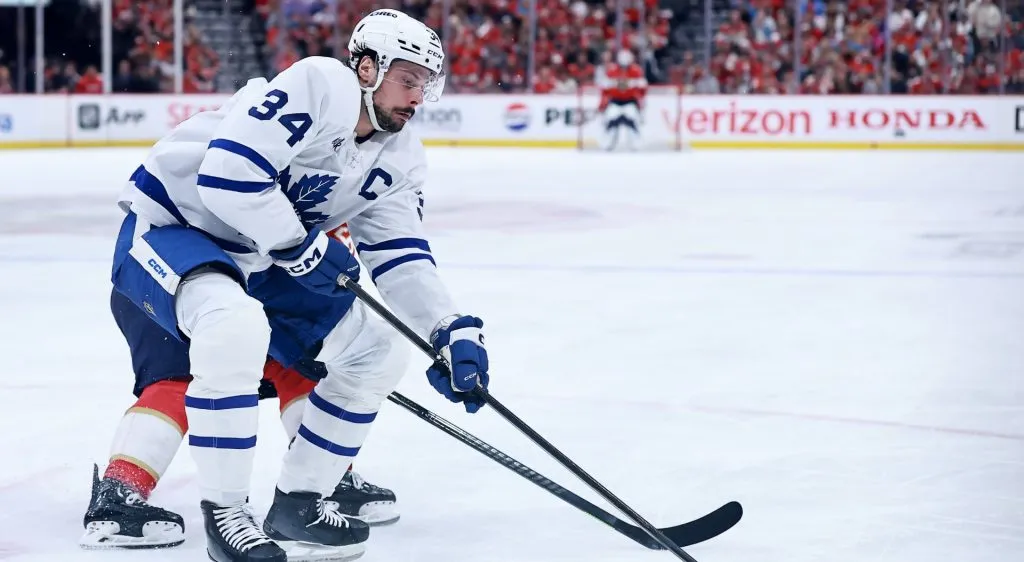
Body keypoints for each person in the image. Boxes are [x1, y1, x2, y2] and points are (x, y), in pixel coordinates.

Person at [107, 9, 491, 562]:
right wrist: (298, 244)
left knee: (378, 349)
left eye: (425, 84)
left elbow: (400, 254)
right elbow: (226, 175)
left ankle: (300, 503)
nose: (417, 96)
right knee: (234, 326)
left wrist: (446, 329)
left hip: (260, 255)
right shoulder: (321, 84)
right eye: (408, 79)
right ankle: (225, 514)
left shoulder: (401, 156)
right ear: (366, 68)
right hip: (175, 228)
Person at [81, 229, 400, 551]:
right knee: (180, 380)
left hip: (246, 283)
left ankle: (325, 481)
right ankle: (118, 493)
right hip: (176, 277)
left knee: (300, 372)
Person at [598, 49, 648, 151]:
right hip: (615, 101)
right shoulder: (611, 71)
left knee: (632, 122)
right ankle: (608, 143)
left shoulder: (636, 71)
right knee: (611, 121)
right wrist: (602, 104)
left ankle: (635, 143)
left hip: (630, 101)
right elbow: (604, 88)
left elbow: (643, 88)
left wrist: (641, 103)